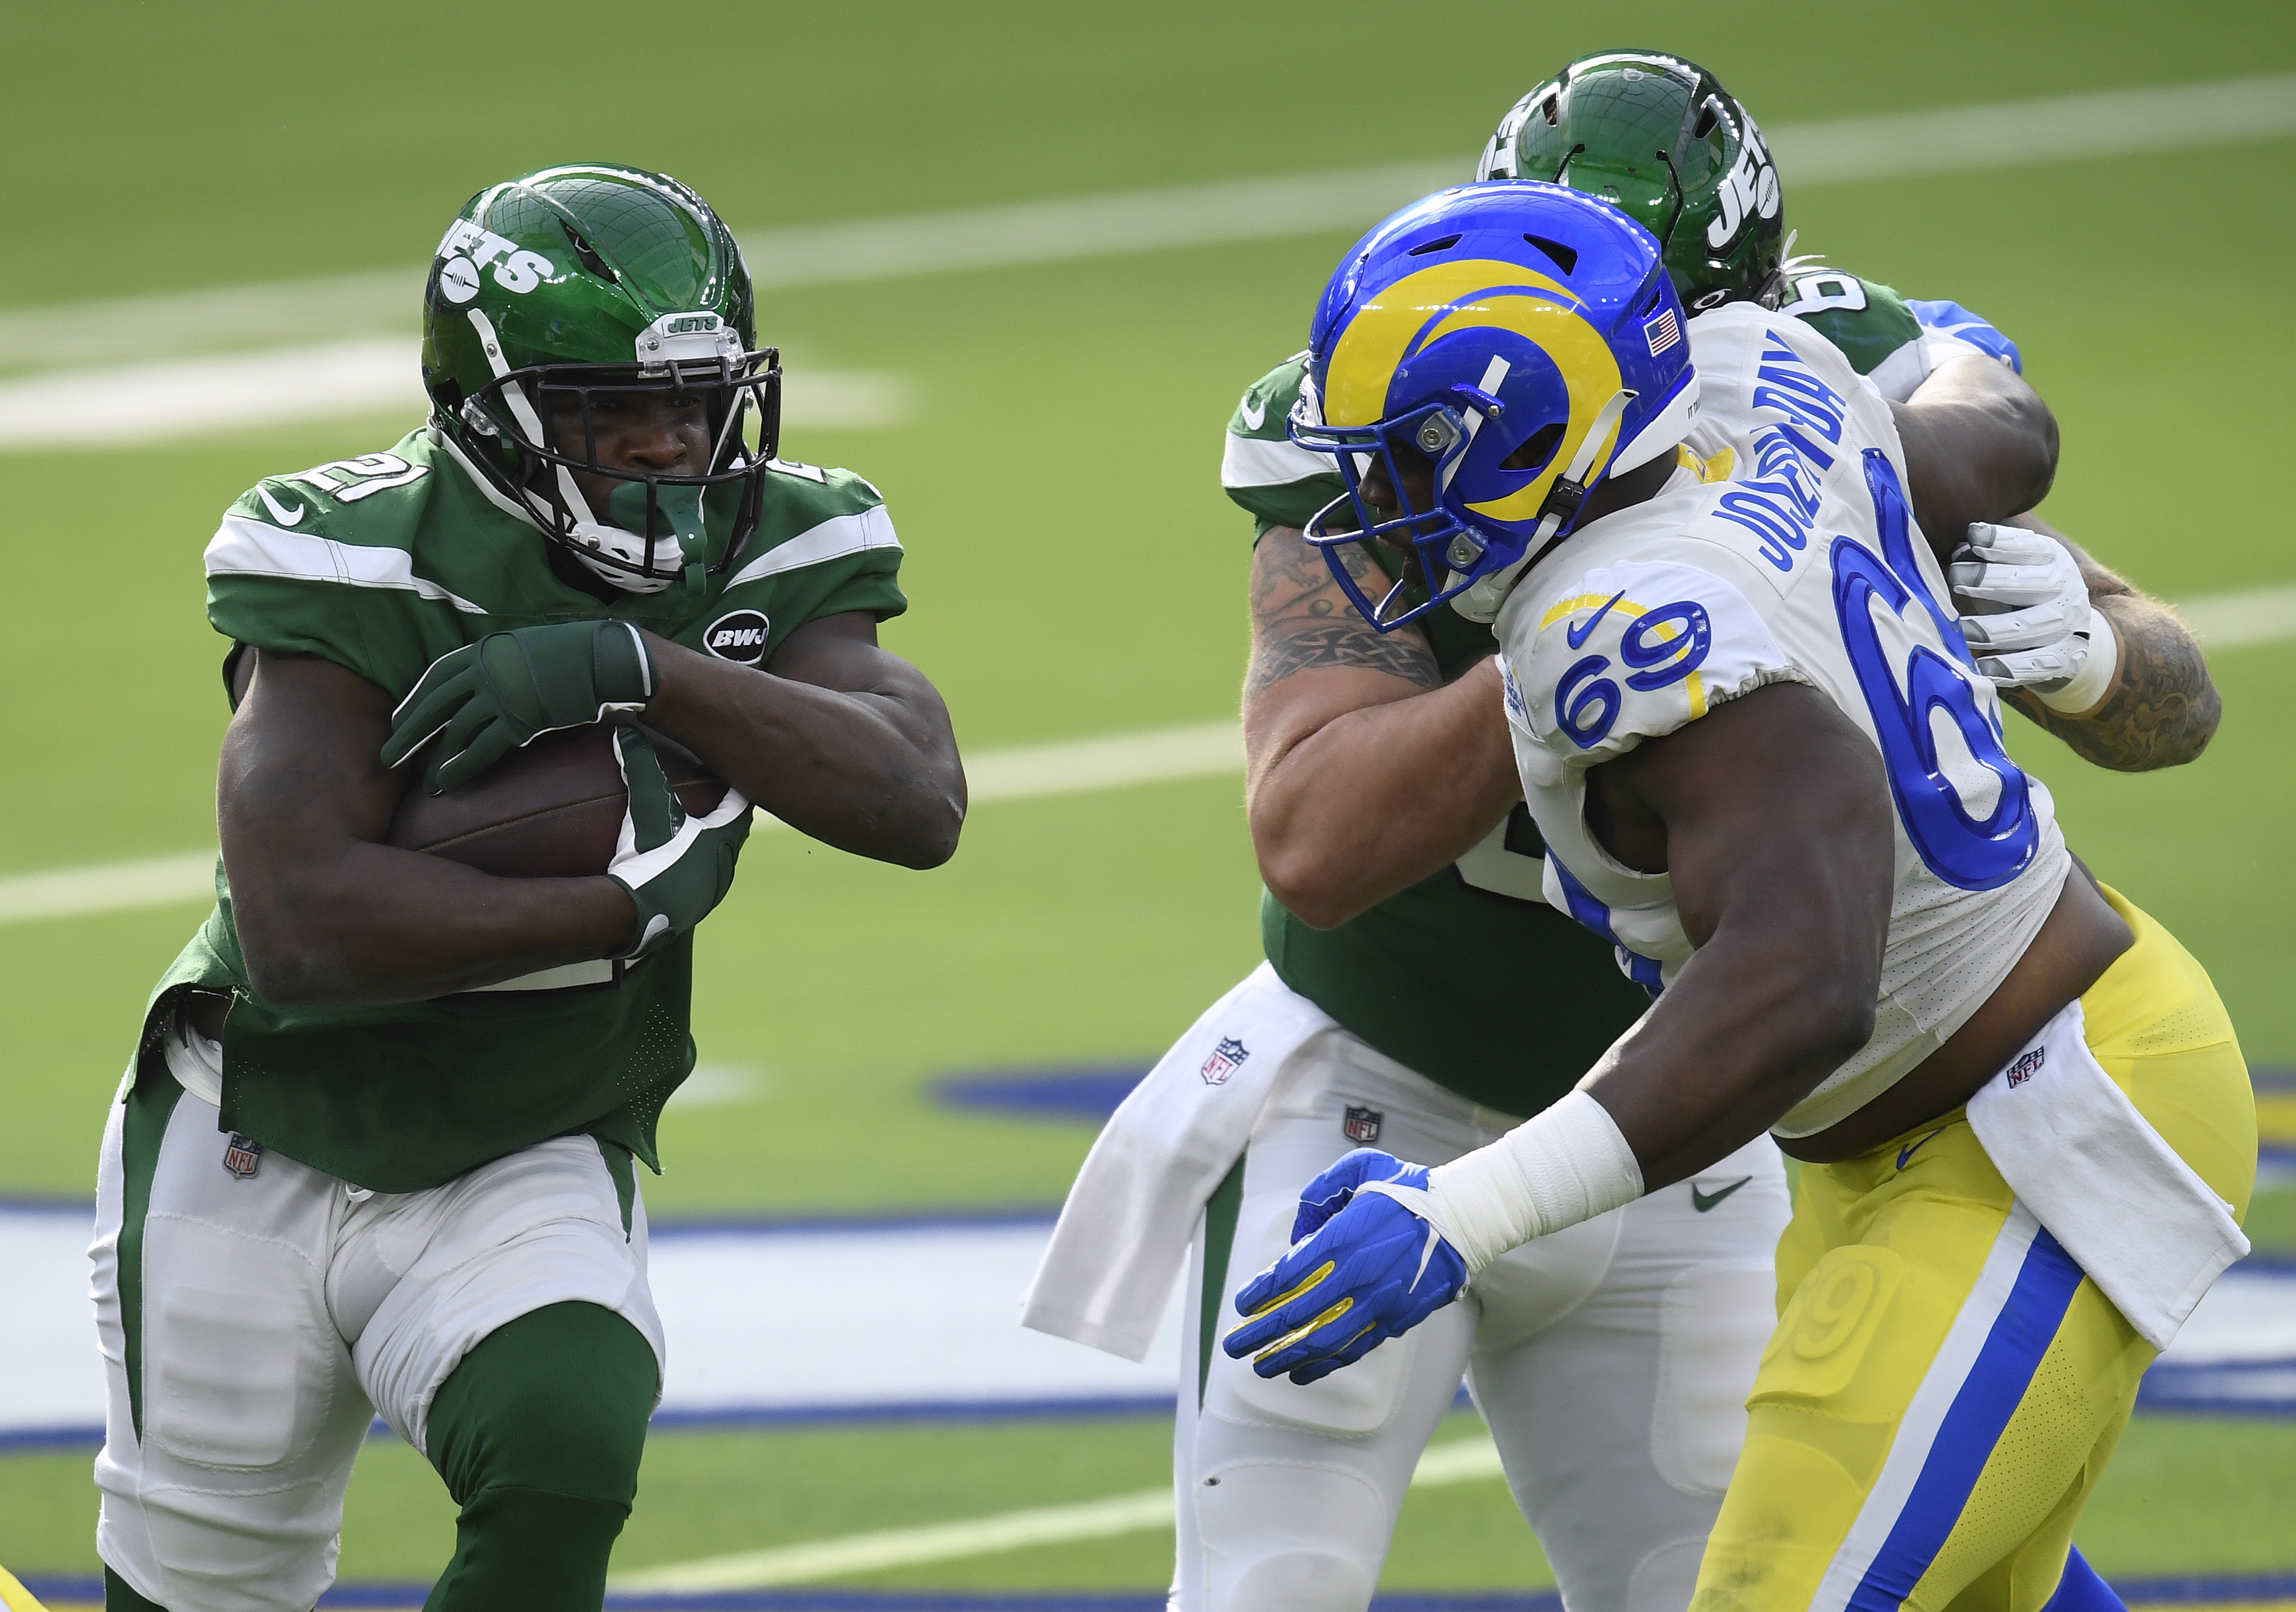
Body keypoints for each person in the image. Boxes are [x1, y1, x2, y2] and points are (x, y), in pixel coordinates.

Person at [1025, 52, 2212, 1612]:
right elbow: (1311, 837)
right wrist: (1570, 645)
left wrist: (2090, 648)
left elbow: (1825, 937)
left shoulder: (1664, 553)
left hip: (1768, 1097)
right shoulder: (1732, 391)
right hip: (1520, 1079)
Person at [89, 165, 964, 1612]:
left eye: (696, 407)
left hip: (531, 1123)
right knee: (199, 1589)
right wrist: (622, 906)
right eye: (616, 411)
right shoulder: (350, 549)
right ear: (495, 408)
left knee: (566, 1442)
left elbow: (916, 801)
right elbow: (303, 927)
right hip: (262, 1117)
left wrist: (646, 665)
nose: (670, 449)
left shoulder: (770, 535)